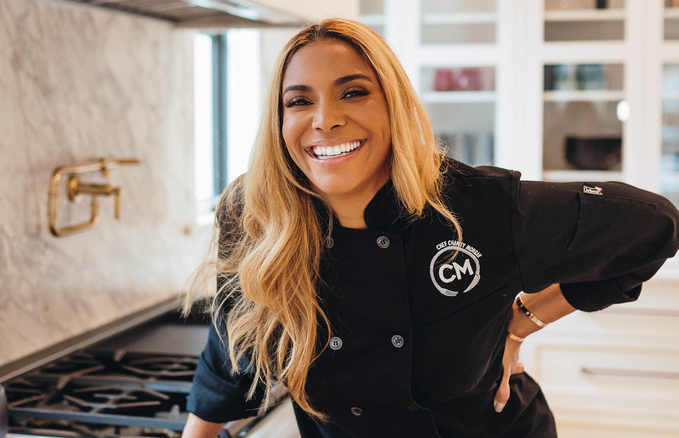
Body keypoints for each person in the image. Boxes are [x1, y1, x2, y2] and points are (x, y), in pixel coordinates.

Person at [181, 18, 679, 438]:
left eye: (353, 92)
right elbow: (229, 351)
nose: (325, 119)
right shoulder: (257, 214)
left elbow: (654, 225)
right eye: (299, 101)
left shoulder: (474, 209)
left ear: (392, 106)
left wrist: (524, 320)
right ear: (278, 121)